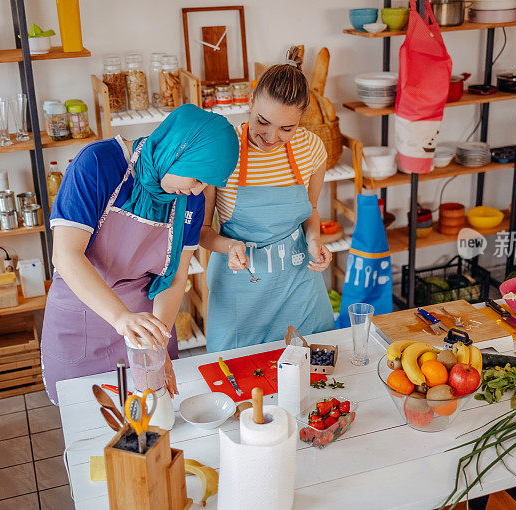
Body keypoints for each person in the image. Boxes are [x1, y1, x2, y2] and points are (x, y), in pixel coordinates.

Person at [41, 104, 239, 403]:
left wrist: (156, 346)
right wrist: (121, 317)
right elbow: (67, 255)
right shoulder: (97, 163)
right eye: (197, 179)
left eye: (207, 185)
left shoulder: (190, 199)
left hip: (144, 322)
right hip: (83, 313)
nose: (199, 191)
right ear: (176, 152)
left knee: (152, 417)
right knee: (89, 421)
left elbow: (175, 277)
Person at [201, 47, 335, 352]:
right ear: (250, 102)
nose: (272, 137)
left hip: (299, 286)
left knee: (316, 378)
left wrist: (314, 240)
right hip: (241, 292)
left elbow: (310, 211)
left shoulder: (311, 149)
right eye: (263, 122)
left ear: (302, 119)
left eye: (287, 128)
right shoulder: (223, 151)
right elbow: (202, 232)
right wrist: (229, 246)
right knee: (237, 382)